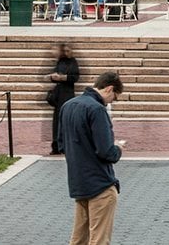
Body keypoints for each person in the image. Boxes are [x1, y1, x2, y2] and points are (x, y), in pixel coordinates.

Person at [59, 70, 124, 245]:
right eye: (115, 98)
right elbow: (106, 152)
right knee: (99, 239)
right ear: (109, 89)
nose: (112, 102)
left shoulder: (68, 106)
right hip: (100, 184)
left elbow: (61, 144)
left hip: (78, 183)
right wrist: (118, 148)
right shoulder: (97, 109)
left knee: (78, 239)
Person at [48, 43, 79, 155]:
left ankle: (66, 145)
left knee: (66, 119)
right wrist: (53, 77)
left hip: (68, 94)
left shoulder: (73, 62)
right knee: (56, 120)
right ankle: (55, 145)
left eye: (68, 51)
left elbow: (75, 77)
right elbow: (54, 74)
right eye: (64, 51)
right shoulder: (60, 62)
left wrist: (62, 77)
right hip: (59, 94)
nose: (66, 53)